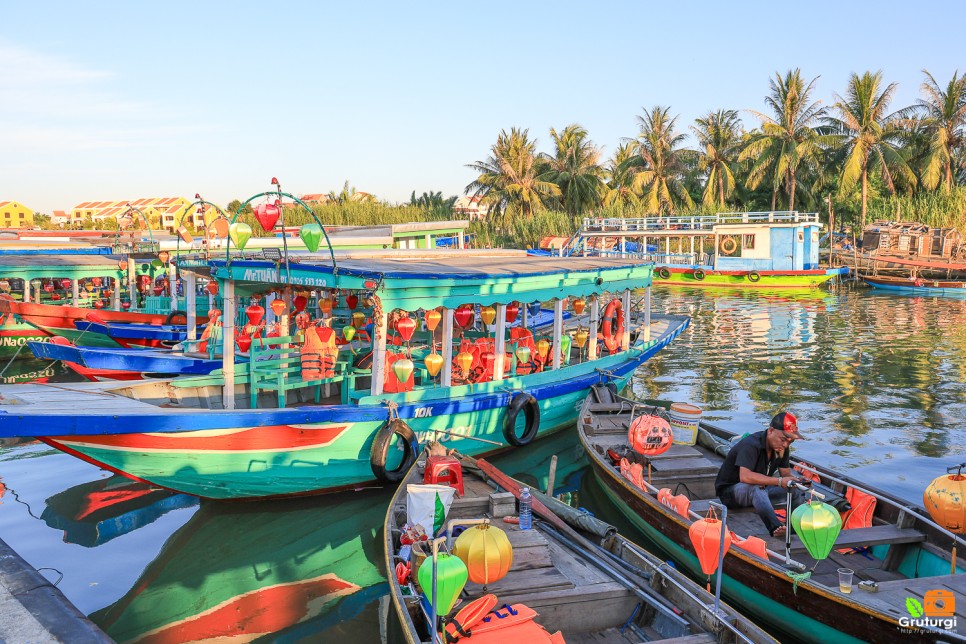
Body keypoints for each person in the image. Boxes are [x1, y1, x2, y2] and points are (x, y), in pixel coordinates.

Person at [714, 411, 810, 538]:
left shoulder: (782, 447)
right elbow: (745, 477)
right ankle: (776, 527)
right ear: (771, 431)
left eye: (790, 442)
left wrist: (797, 480)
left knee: (795, 489)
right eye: (783, 439)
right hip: (731, 494)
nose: (786, 444)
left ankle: (792, 529)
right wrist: (780, 481)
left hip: (761, 491)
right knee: (755, 488)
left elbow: (785, 473)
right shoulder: (751, 444)